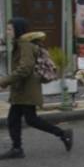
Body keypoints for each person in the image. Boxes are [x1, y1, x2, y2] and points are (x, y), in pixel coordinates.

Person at [0, 18, 73, 159]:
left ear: (18, 30)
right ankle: (17, 148)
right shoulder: (20, 44)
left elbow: (25, 68)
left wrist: (4, 81)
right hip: (23, 89)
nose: (7, 32)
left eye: (10, 29)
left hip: (27, 90)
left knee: (30, 119)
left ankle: (63, 134)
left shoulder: (25, 45)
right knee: (15, 119)